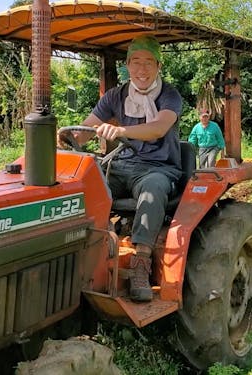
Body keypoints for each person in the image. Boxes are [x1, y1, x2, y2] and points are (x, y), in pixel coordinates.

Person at [71, 35, 183, 302]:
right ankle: (85, 248)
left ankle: (141, 263)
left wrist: (121, 130)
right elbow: (85, 130)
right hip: (122, 165)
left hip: (159, 167)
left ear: (158, 66)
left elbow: (157, 129)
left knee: (152, 190)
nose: (141, 70)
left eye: (148, 63)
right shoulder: (115, 96)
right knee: (86, 182)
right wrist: (63, 140)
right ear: (127, 65)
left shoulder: (170, 95)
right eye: (136, 62)